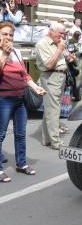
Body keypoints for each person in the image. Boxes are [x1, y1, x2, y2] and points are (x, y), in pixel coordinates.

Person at [0, 22, 47, 182]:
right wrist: (4, 54)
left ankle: (21, 164)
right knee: (0, 135)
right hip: (4, 99)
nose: (8, 37)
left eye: (10, 35)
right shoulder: (2, 53)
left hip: (20, 99)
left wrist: (35, 88)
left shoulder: (17, 52)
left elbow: (24, 75)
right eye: (5, 34)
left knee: (20, 134)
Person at [35, 22, 76, 150]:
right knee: (53, 109)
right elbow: (48, 64)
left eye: (64, 33)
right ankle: (55, 141)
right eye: (60, 33)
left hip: (60, 77)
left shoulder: (59, 42)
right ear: (51, 31)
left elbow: (63, 59)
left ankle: (47, 139)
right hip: (51, 76)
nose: (62, 36)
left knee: (50, 108)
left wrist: (70, 58)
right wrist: (59, 49)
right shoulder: (42, 44)